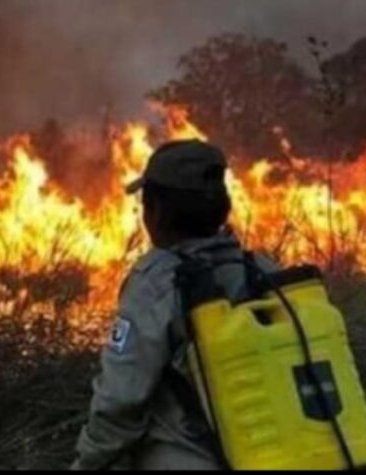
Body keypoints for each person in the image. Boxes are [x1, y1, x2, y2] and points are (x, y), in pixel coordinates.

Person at [71, 138, 276, 471]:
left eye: (146, 202)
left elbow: (121, 401)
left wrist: (88, 462)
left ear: (158, 210)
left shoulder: (156, 284)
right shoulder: (263, 270)